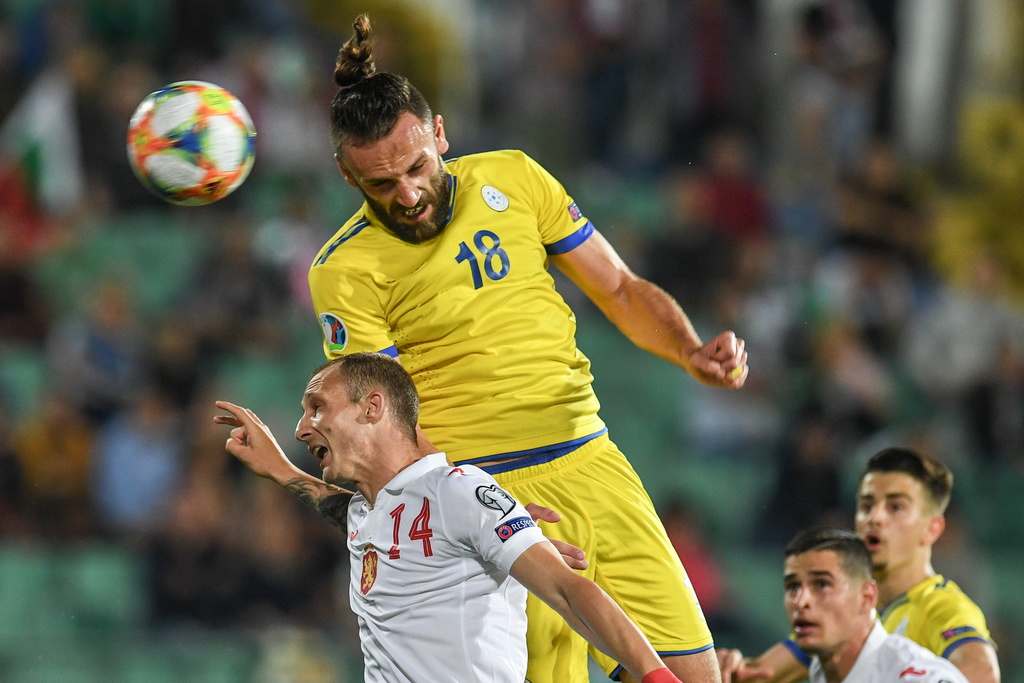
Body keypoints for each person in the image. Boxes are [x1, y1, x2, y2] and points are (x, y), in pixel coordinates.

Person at [307, 15, 748, 683]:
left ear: (440, 134)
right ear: (348, 175)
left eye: (417, 167)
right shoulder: (343, 270)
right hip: (492, 493)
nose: (409, 194)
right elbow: (386, 424)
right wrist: (480, 515)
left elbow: (619, 288)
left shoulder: (513, 177)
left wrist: (689, 350)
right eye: (381, 185)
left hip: (592, 460)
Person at [214, 351, 683, 683]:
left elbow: (568, 590)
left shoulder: (458, 491)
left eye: (317, 408)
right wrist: (280, 470)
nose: (302, 428)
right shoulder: (367, 511)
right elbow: (347, 512)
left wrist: (656, 676)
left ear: (373, 407)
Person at [718, 447, 1000, 683]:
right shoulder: (843, 609)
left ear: (932, 529)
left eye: (895, 507)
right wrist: (729, 666)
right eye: (866, 506)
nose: (875, 518)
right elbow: (758, 674)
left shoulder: (942, 608)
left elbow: (983, 673)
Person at [779, 526, 968, 683]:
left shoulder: (917, 678)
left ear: (867, 597)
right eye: (793, 586)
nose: (800, 602)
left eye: (822, 584)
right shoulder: (822, 671)